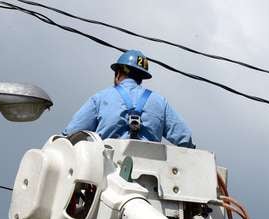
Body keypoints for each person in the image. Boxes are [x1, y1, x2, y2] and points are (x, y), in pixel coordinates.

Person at [64, 49, 195, 148]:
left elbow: (71, 134)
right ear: (141, 78)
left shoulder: (100, 98)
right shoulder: (160, 102)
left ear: (118, 74)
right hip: (150, 178)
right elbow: (184, 138)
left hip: (107, 175)